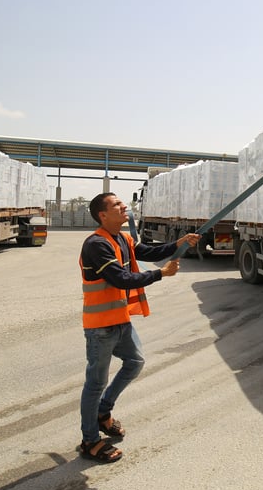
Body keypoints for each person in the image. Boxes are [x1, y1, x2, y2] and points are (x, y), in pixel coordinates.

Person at [77, 192, 200, 463]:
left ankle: (103, 412)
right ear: (103, 215)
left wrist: (178, 243)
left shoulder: (123, 238)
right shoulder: (96, 244)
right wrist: (160, 274)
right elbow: (120, 278)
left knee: (135, 362)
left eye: (123, 203)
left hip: (120, 320)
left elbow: (148, 252)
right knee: (95, 383)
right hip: (100, 328)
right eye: (117, 205)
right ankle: (90, 440)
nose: (124, 207)